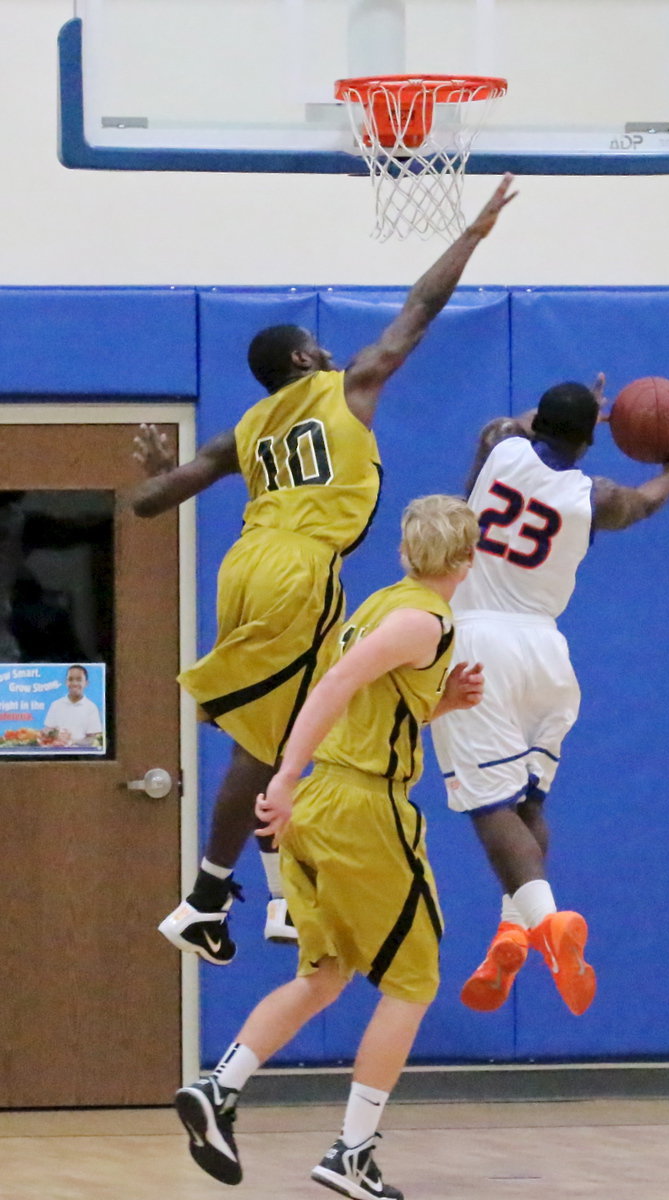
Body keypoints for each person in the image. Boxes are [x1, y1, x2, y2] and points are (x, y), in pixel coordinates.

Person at [132, 175, 515, 966]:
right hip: (300, 569)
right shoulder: (348, 386)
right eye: (321, 348)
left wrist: (159, 469)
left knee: (271, 731)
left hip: (242, 563)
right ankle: (261, 896)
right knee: (306, 722)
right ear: (306, 359)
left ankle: (230, 901)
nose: (334, 352)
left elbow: (149, 503)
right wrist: (472, 235)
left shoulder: (245, 429)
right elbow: (419, 309)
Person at [174, 495, 483, 1199]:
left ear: (406, 554)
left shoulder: (382, 605)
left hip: (324, 804)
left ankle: (220, 1089)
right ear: (467, 561)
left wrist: (441, 704)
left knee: (325, 973)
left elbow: (372, 696)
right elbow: (336, 684)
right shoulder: (421, 619)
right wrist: (282, 776)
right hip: (359, 807)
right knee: (413, 981)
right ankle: (351, 1153)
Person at [430, 375, 669, 1016]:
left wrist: (580, 412)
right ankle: (512, 930)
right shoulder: (593, 497)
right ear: (588, 439)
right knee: (525, 802)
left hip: (478, 643)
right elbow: (648, 501)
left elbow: (510, 423)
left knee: (487, 806)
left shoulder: (499, 445)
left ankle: (550, 928)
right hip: (547, 652)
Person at [43, 664, 102, 747]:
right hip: (57, 753)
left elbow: (94, 738)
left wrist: (71, 741)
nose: (74, 683)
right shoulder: (56, 705)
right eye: (70, 679)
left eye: (79, 680)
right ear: (66, 682)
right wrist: (56, 735)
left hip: (81, 755)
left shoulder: (91, 708)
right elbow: (47, 730)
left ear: (86, 683)